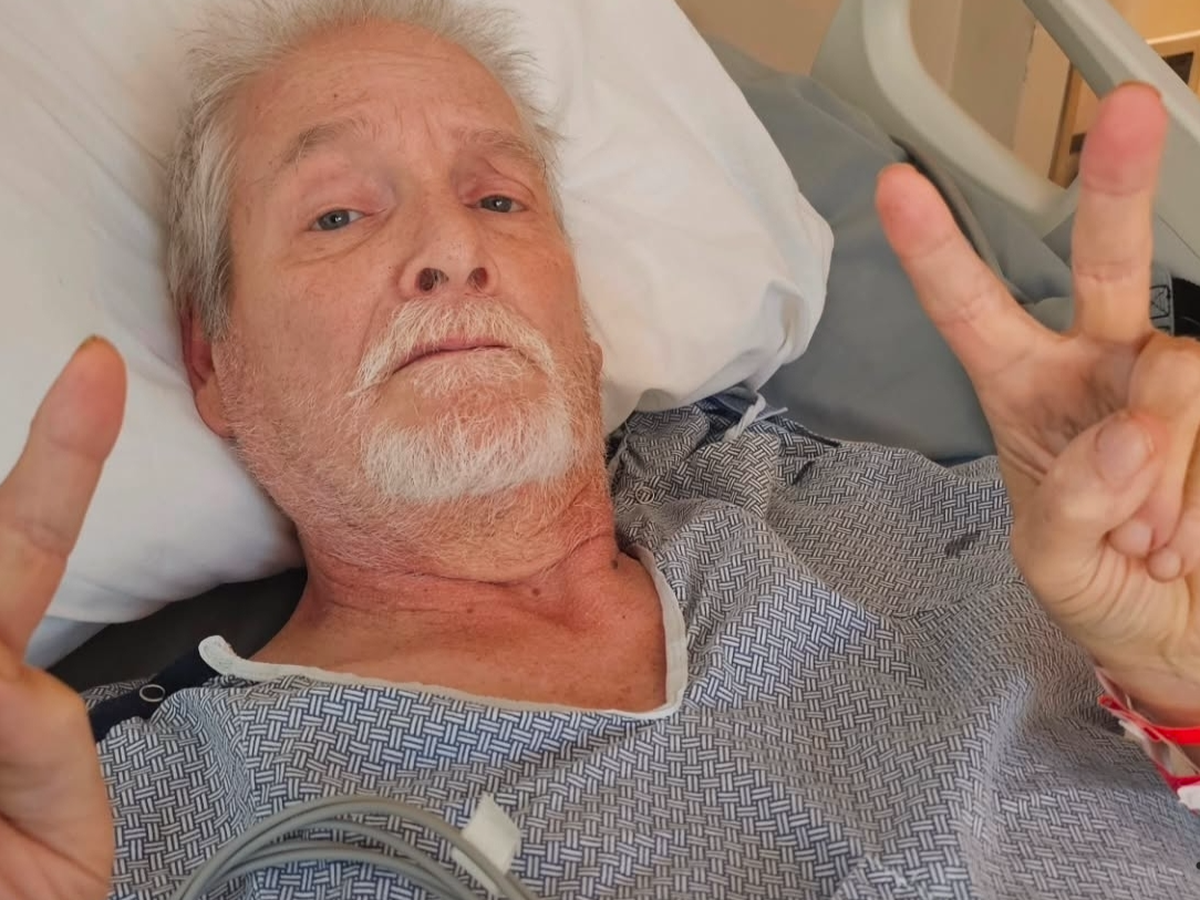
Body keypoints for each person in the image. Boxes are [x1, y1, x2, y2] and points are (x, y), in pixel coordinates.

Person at [2, 0, 1199, 897]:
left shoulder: (975, 530)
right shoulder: (109, 820)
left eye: (499, 199)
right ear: (214, 361)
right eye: (337, 213)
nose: (453, 249)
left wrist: (1184, 688)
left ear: (579, 318)